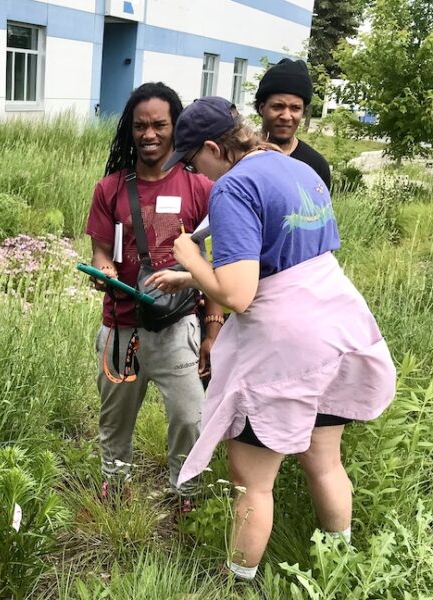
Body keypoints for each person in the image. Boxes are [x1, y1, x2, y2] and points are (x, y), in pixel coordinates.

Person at [154, 96, 395, 580]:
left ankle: (236, 585)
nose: (198, 174)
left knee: (252, 483)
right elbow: (287, 256)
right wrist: (192, 278)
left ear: (210, 148)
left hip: (287, 345)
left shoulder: (233, 187)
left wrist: (188, 255)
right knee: (325, 462)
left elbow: (239, 295)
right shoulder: (297, 168)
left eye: (195, 162)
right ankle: (336, 569)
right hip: (338, 324)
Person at [85, 82, 224, 503]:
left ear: (176, 128)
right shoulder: (109, 188)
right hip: (121, 326)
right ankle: (117, 490)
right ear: (130, 129)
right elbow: (101, 251)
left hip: (178, 324)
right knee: (115, 420)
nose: (149, 135)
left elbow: (217, 263)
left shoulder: (200, 187)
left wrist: (213, 329)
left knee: (190, 416)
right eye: (140, 126)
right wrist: (104, 271)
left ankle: (185, 495)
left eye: (159, 125)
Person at [255, 58, 331, 189]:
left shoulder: (315, 165)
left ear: (303, 112)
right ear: (262, 108)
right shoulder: (241, 156)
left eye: (295, 108)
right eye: (278, 107)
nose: (286, 116)